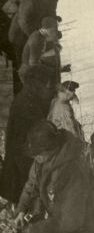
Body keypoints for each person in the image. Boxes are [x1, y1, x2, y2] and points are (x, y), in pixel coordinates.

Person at [14, 120, 94, 233]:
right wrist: (22, 210)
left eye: (38, 155)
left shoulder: (74, 170)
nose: (35, 159)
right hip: (63, 212)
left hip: (85, 223)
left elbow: (70, 220)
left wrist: (36, 230)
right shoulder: (41, 158)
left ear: (51, 150)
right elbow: (32, 184)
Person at [0, 65, 55, 205]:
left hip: (21, 161)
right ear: (37, 83)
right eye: (46, 83)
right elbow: (26, 140)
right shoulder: (26, 105)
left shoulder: (27, 98)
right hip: (22, 165)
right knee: (25, 205)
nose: (48, 87)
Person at [19, 17, 61, 84]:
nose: (54, 33)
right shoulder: (37, 40)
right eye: (52, 30)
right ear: (45, 29)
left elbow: (39, 54)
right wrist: (51, 70)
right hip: (28, 72)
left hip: (29, 69)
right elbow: (33, 63)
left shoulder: (40, 34)